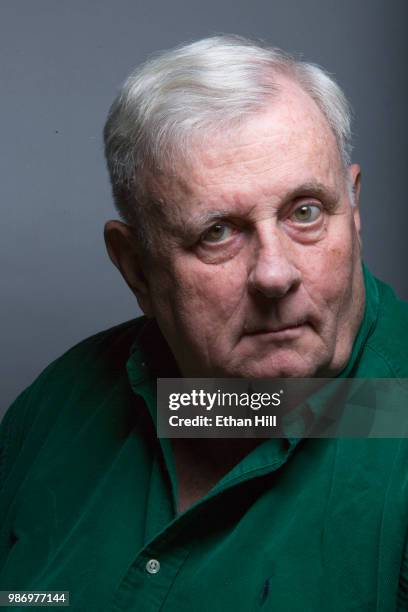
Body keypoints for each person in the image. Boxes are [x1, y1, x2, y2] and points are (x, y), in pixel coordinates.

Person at [1, 35, 408, 611]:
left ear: (355, 208)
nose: (274, 274)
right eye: (217, 231)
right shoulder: (57, 409)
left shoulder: (396, 415)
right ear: (135, 267)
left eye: (306, 212)